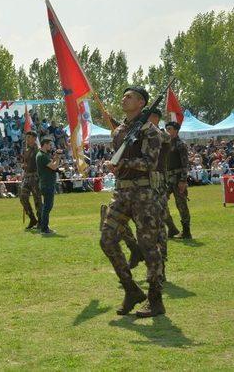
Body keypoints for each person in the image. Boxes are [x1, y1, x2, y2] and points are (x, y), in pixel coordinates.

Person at [99, 86, 165, 318]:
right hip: (121, 192)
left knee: (148, 246)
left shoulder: (151, 131)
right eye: (124, 95)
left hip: (144, 193)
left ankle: (155, 300)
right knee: (106, 239)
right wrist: (116, 166)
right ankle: (131, 290)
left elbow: (150, 162)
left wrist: (123, 164)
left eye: (129, 96)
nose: (123, 98)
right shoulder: (119, 131)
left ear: (141, 103)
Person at [165, 121, 192, 239]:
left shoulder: (181, 145)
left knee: (181, 204)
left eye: (169, 129)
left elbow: (185, 164)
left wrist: (183, 180)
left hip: (177, 178)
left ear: (176, 130)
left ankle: (186, 231)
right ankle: (171, 228)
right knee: (160, 202)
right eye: (166, 129)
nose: (167, 131)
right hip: (166, 179)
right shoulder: (165, 144)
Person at [35, 137, 60, 235]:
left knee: (46, 206)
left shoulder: (43, 155)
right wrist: (57, 157)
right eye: (50, 145)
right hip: (47, 184)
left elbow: (51, 165)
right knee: (47, 207)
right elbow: (54, 166)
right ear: (45, 144)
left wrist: (55, 158)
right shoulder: (42, 156)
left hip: (46, 183)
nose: (51, 146)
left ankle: (44, 227)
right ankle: (44, 228)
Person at [19, 131, 42, 229]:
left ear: (34, 138)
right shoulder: (26, 150)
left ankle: (41, 220)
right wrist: (24, 166)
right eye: (26, 137)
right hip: (27, 177)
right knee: (23, 197)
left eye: (29, 137)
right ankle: (32, 219)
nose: (27, 139)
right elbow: (27, 164)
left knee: (37, 199)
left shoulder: (38, 150)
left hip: (35, 176)